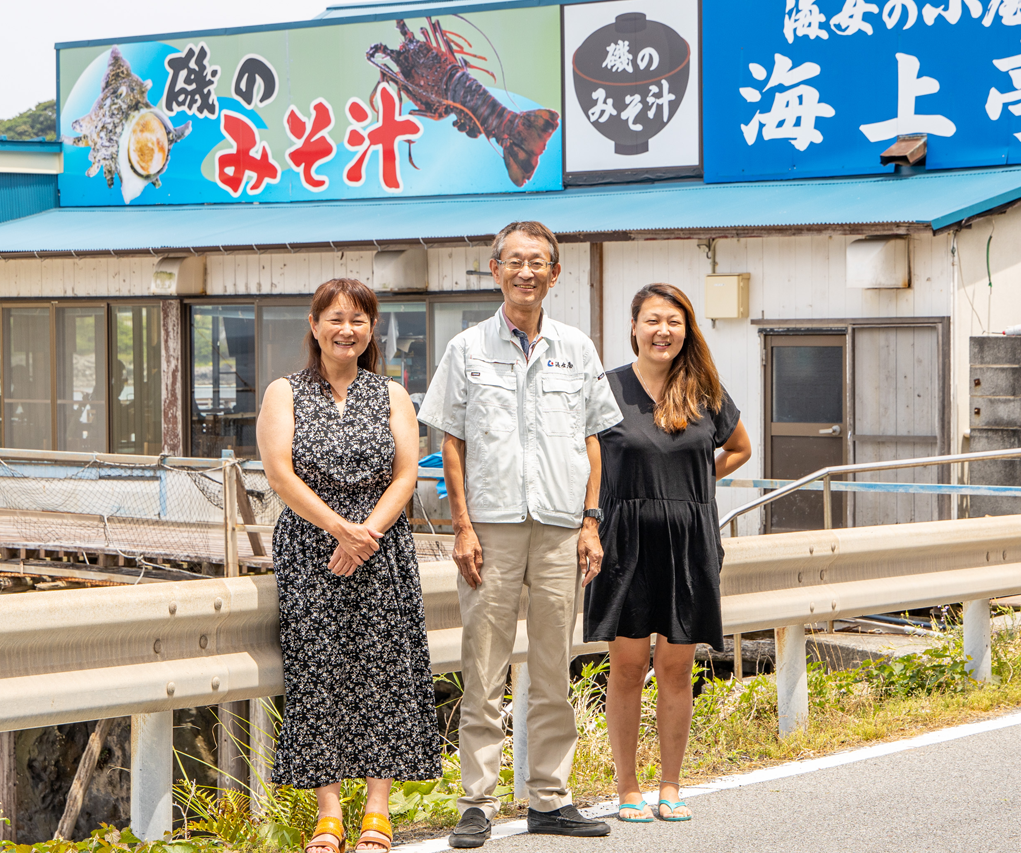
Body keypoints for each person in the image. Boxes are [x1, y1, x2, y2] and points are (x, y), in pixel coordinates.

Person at [418, 221, 623, 847]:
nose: (526, 271)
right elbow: (450, 441)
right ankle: (476, 803)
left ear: (554, 274)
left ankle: (549, 800)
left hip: (563, 527)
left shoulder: (576, 348)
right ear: (495, 268)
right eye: (514, 261)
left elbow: (594, 440)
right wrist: (463, 526)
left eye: (538, 262)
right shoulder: (467, 349)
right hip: (492, 530)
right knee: (483, 670)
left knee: (555, 669)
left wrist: (591, 522)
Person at [256, 278, 442, 853]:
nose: (347, 330)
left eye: (358, 320)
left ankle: (378, 812)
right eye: (335, 319)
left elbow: (406, 474)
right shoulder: (284, 392)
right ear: (314, 327)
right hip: (313, 547)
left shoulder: (391, 394)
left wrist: (368, 535)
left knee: (383, 671)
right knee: (320, 673)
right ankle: (329, 814)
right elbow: (280, 474)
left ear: (372, 330)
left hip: (380, 544)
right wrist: (341, 529)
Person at [583, 283, 752, 823]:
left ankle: (672, 784)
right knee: (627, 666)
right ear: (633, 327)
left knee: (678, 667)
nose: (663, 331)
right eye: (653, 320)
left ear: (687, 330)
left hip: (689, 539)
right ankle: (627, 786)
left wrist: (697, 484)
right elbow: (581, 458)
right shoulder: (604, 389)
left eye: (674, 322)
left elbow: (740, 448)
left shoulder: (704, 389)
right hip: (625, 540)